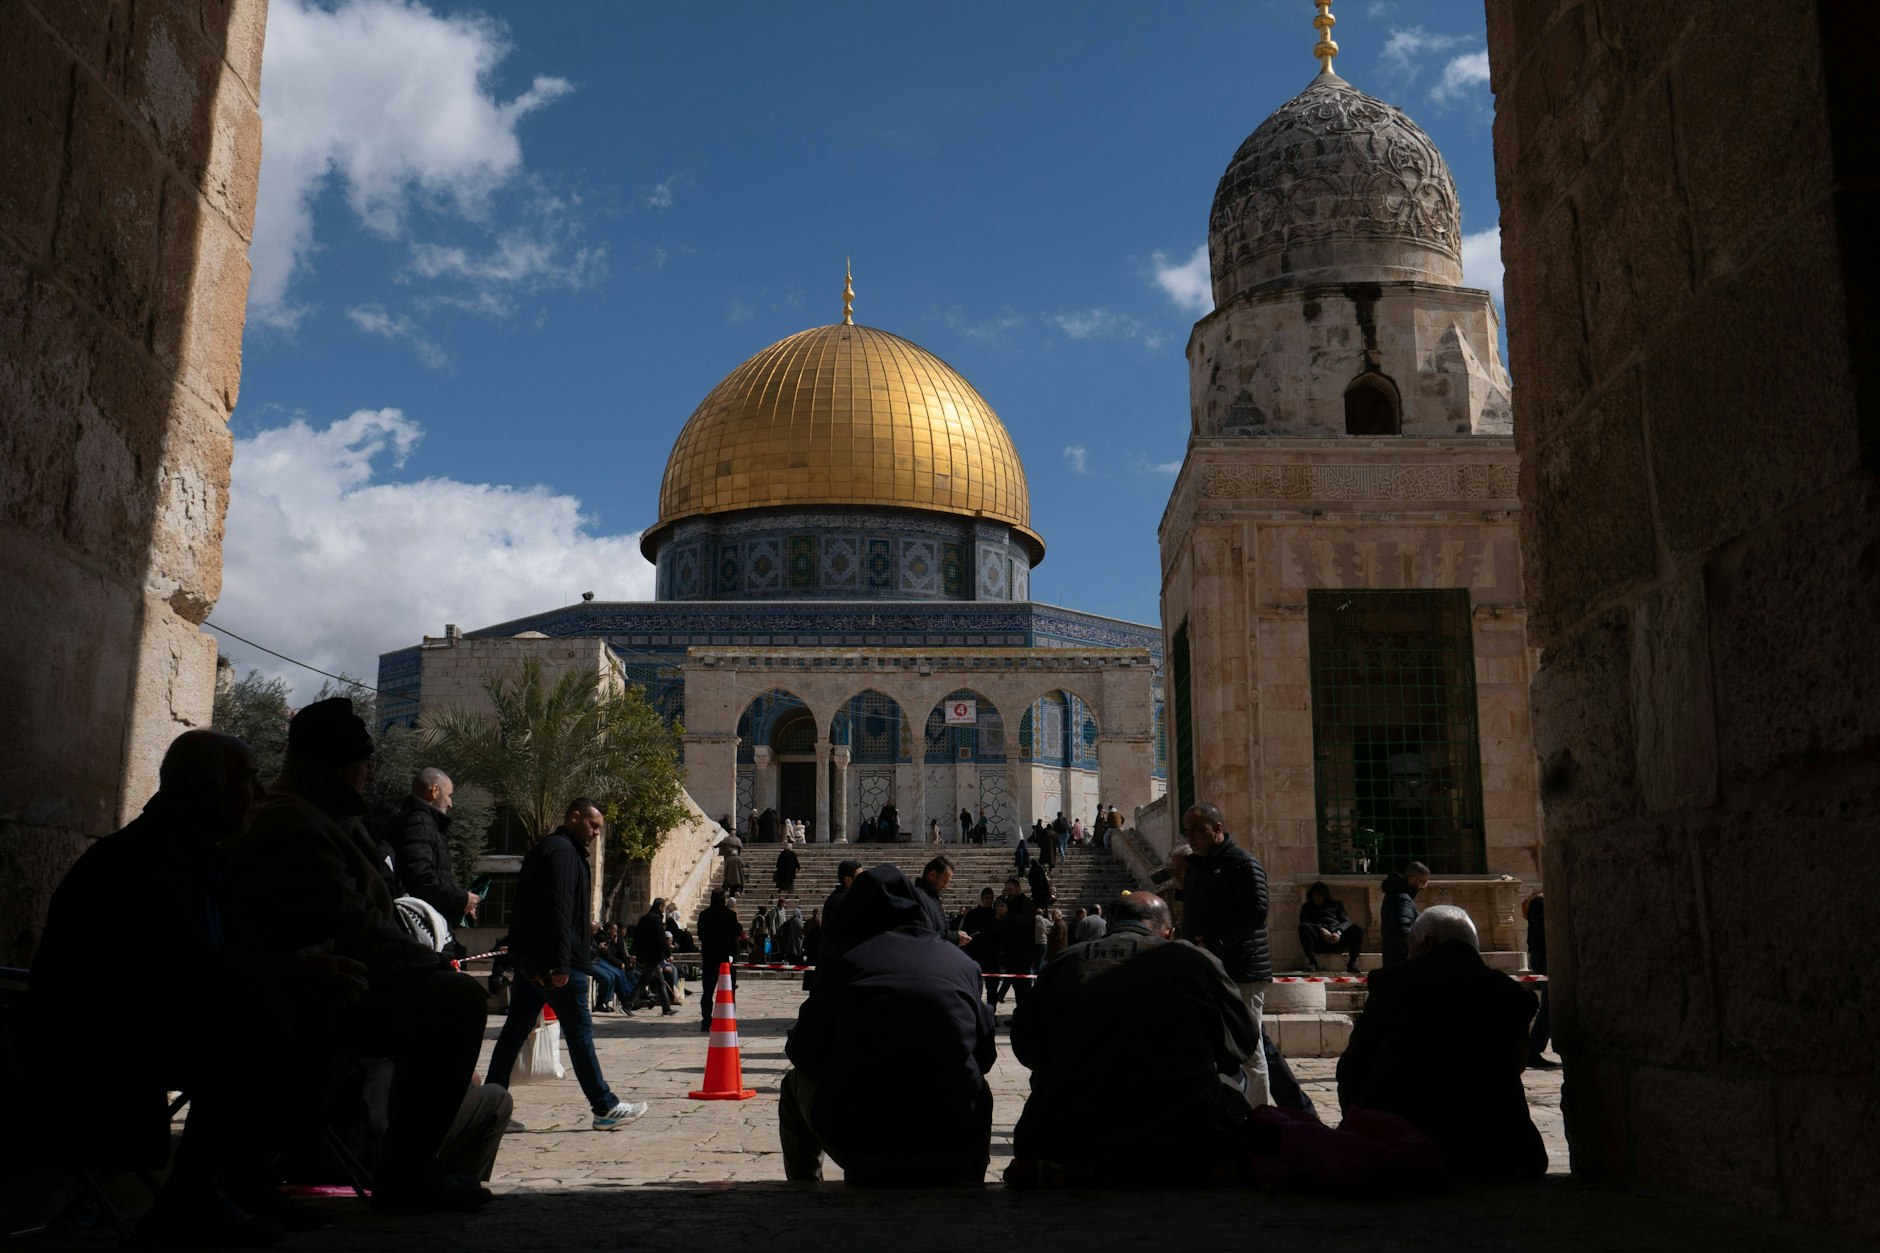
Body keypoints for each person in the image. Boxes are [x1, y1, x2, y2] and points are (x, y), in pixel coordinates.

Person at [32, 730, 366, 1246]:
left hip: (165, 1021)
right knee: (258, 1018)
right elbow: (186, 968)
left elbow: (230, 956)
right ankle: (194, 1196)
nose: (258, 793)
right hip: (100, 1037)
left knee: (307, 1009)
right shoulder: (140, 862)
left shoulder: (206, 861)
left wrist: (301, 967)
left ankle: (239, 1182)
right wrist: (292, 970)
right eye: (246, 780)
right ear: (202, 789)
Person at [220, 698, 492, 1213]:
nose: (369, 777)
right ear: (346, 769)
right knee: (456, 1002)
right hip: (317, 991)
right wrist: (428, 962)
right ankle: (407, 1170)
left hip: (321, 980)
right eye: (365, 766)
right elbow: (354, 925)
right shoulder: (296, 822)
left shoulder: (321, 817)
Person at [1010, 892, 1256, 1181]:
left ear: (1111, 923)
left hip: (1076, 1135)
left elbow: (1026, 1046)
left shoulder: (1066, 962)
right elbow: (1241, 1042)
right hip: (1183, 1135)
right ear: (1169, 931)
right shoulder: (1196, 961)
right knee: (1234, 1082)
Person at [780, 867, 996, 1184]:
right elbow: (985, 1055)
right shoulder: (962, 963)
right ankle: (970, 1181)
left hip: (864, 1139)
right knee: (977, 1086)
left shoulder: (847, 962)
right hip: (949, 1135)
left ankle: (805, 1194)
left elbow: (803, 1051)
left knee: (793, 1083)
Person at [1336, 906, 1547, 1182]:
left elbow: (1352, 1068)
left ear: (1426, 942)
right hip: (1496, 1153)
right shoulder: (1510, 994)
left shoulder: (1395, 983)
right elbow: (1516, 1064)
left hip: (1408, 1148)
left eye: (1411, 945)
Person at [484, 798, 649, 1131]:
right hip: (556, 964)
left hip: (534, 960)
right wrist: (561, 963)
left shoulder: (557, 850)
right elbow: (557, 911)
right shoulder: (561, 852)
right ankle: (604, 1106)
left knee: (514, 1033)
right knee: (579, 1033)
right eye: (592, 825)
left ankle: (489, 1110)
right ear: (574, 818)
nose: (596, 833)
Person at [1180, 802, 1273, 1108]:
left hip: (1242, 969)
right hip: (1207, 970)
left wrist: (1214, 941)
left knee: (1249, 1048)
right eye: (1187, 830)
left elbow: (1256, 912)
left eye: (1196, 829)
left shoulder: (1242, 864)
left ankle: (1260, 1114)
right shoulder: (1196, 869)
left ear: (1217, 829)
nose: (1189, 835)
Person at [386, 767, 477, 925]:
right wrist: (461, 899)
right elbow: (421, 877)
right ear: (434, 791)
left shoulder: (420, 821)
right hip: (421, 924)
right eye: (449, 796)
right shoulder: (420, 821)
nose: (450, 804)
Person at [697, 888, 743, 1031]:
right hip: (725, 958)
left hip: (709, 957)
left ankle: (706, 1021)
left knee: (708, 991)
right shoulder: (729, 915)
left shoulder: (704, 915)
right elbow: (738, 930)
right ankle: (728, 1020)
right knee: (728, 991)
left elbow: (700, 934)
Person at [1297, 881, 1365, 973]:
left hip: (1337, 939)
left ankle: (1352, 963)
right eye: (1315, 894)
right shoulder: (1307, 907)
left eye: (1321, 895)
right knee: (1303, 927)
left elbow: (1346, 921)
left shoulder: (1336, 905)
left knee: (1357, 929)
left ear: (1325, 895)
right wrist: (1321, 929)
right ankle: (1312, 962)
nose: (1318, 897)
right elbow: (1304, 922)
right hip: (1319, 940)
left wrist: (1338, 933)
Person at [626, 899, 678, 1014]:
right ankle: (628, 1005)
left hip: (646, 954)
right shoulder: (656, 919)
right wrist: (668, 954)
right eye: (663, 907)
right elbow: (660, 939)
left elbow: (637, 936)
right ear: (660, 906)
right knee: (643, 981)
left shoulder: (645, 918)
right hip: (652, 956)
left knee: (660, 981)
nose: (663, 910)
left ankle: (666, 1008)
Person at [1380, 862, 1430, 968]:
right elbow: (1402, 932)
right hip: (1402, 965)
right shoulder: (1402, 899)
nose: (1424, 887)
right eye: (1423, 882)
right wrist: (1420, 953)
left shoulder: (1396, 894)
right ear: (1412, 880)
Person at [914, 854, 971, 946]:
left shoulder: (933, 898)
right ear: (932, 875)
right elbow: (923, 933)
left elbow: (941, 927)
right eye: (944, 881)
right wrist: (953, 937)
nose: (946, 886)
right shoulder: (918, 897)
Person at [1526, 893, 1555, 1068]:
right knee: (1547, 1008)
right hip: (1547, 963)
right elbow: (1543, 928)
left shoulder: (1539, 904)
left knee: (1548, 1007)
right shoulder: (1539, 904)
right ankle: (1534, 1050)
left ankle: (1534, 1050)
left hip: (1547, 963)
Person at [818, 858, 865, 958]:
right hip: (840, 961)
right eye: (860, 877)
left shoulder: (839, 897)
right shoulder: (843, 901)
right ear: (848, 880)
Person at [721, 836, 747, 902]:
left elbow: (726, 868)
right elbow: (743, 865)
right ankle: (738, 892)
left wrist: (725, 875)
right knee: (739, 886)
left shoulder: (728, 859)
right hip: (738, 877)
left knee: (732, 888)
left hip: (730, 877)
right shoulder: (739, 858)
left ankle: (732, 898)